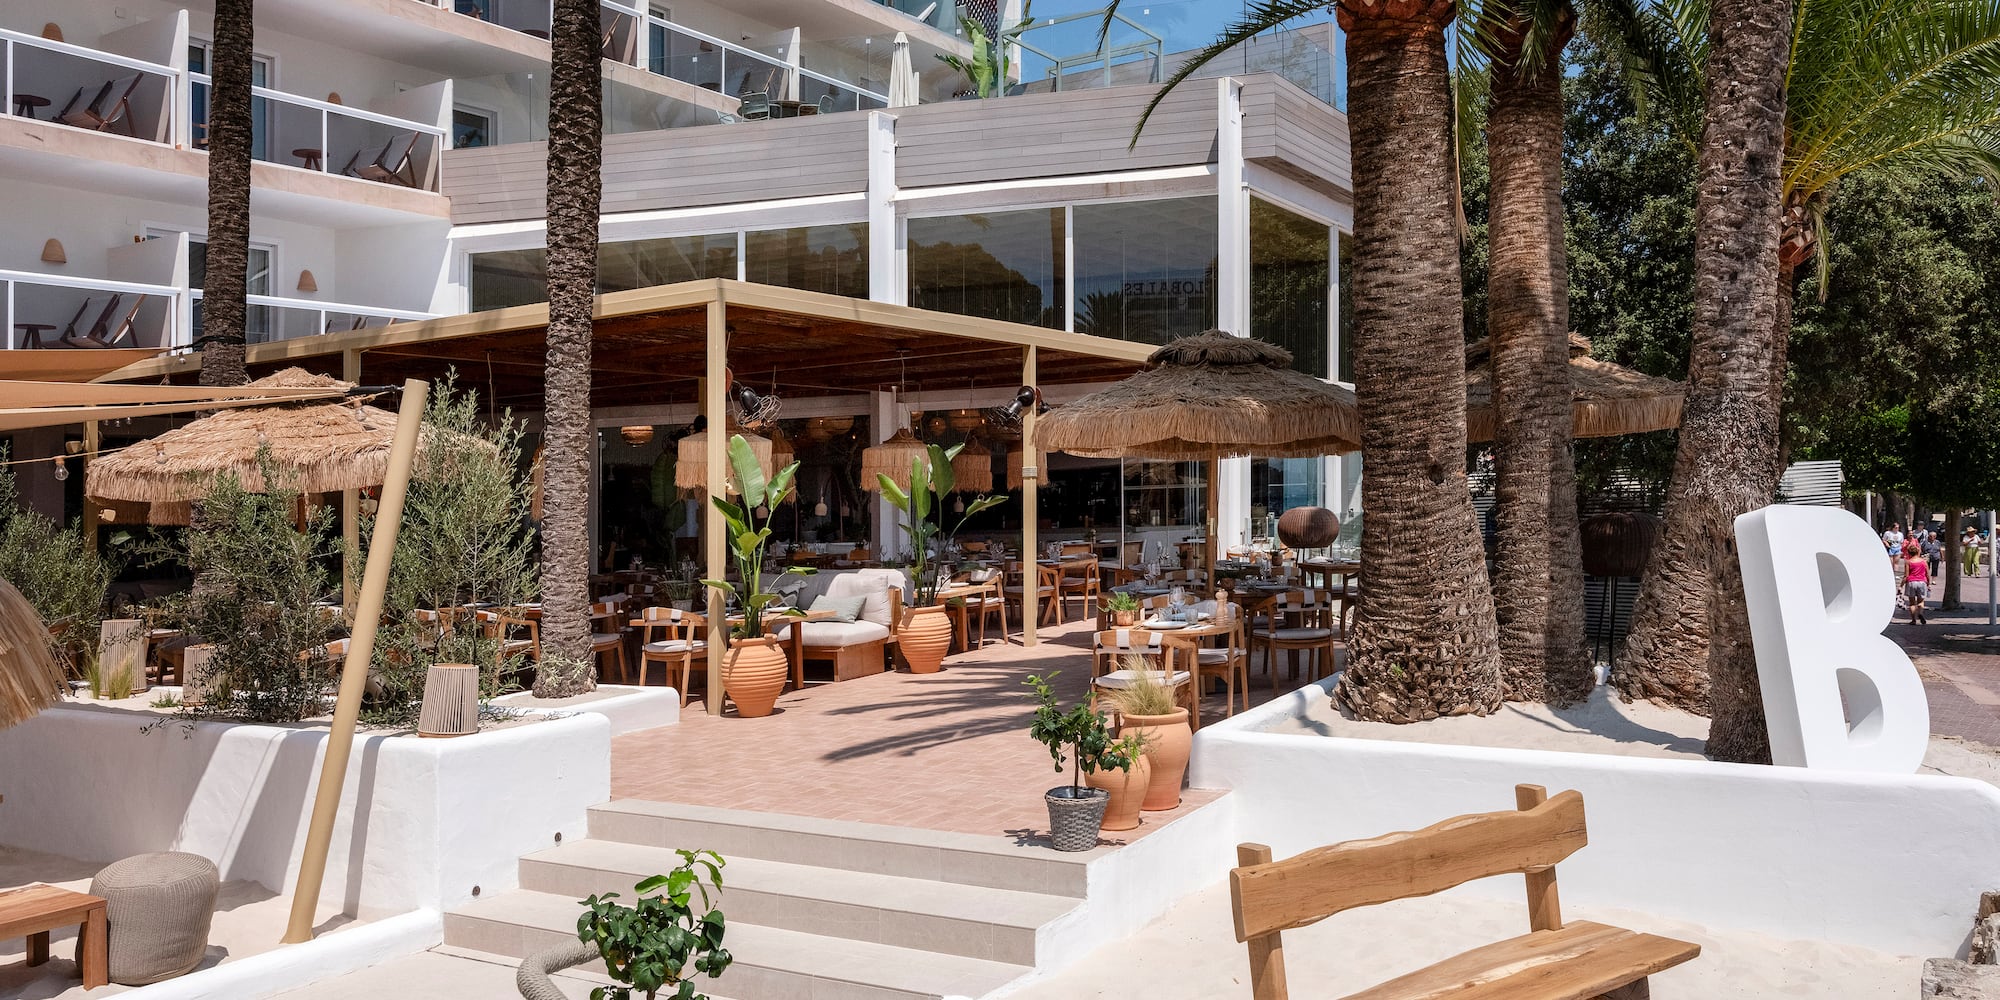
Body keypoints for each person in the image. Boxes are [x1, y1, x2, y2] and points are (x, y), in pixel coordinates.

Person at [1904, 540, 1931, 625]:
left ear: (1909, 553)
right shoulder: (1923, 561)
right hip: (1922, 582)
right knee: (1921, 601)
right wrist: (1928, 583)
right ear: (1918, 552)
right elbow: (1927, 573)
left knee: (1912, 603)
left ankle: (1913, 620)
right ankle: (1920, 613)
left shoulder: (1908, 562)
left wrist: (1901, 585)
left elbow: (1906, 575)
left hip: (1911, 582)